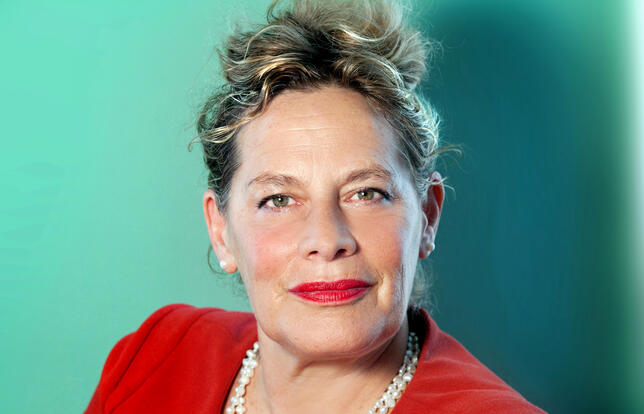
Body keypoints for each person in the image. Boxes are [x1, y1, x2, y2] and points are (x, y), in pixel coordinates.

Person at [85, 0, 546, 413]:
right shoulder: (153, 360)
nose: (327, 240)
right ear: (220, 230)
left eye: (366, 193)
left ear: (427, 216)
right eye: (279, 200)